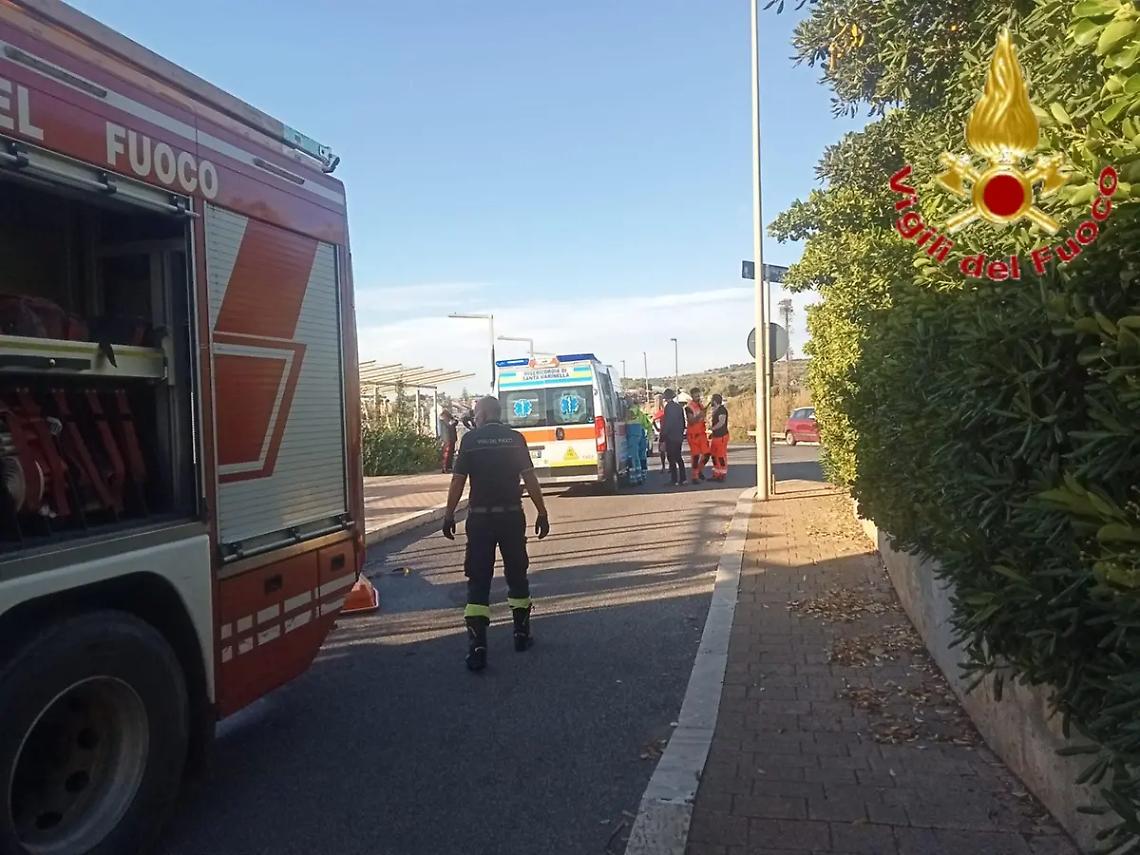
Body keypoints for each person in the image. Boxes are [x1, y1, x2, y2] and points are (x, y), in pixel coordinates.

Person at [442, 396, 550, 671]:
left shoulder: (471, 441)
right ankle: (521, 635)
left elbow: (458, 480)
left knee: (478, 579)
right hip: (511, 516)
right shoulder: (515, 439)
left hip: (480, 519)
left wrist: (449, 514)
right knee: (517, 574)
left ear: (485, 413)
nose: (473, 418)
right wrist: (542, 512)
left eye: (476, 413)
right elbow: (530, 477)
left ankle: (477, 647)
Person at [660, 388, 688, 486]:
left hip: (670, 436)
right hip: (678, 436)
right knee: (679, 457)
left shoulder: (668, 407)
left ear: (666, 398)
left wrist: (663, 436)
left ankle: (674, 479)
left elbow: (668, 423)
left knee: (671, 458)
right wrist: (681, 432)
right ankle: (683, 478)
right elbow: (683, 422)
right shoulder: (679, 407)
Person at [685, 387, 712, 482]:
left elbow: (703, 416)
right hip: (693, 435)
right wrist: (700, 415)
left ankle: (699, 471)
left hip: (702, 434)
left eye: (699, 395)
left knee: (707, 454)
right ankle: (694, 476)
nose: (698, 397)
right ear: (692, 396)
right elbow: (691, 421)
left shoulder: (700, 405)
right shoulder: (689, 407)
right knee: (695, 456)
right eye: (696, 396)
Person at [708, 393, 730, 481]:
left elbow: (721, 422)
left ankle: (722, 474)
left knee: (720, 456)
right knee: (714, 455)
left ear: (714, 401)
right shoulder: (716, 410)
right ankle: (716, 473)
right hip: (716, 436)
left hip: (721, 436)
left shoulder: (722, 410)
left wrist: (712, 428)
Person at [653, 395, 667, 472]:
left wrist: (657, 429)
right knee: (669, 450)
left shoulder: (659, 412)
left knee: (662, 451)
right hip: (668, 431)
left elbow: (653, 420)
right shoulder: (666, 410)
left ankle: (663, 466)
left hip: (662, 432)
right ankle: (671, 467)